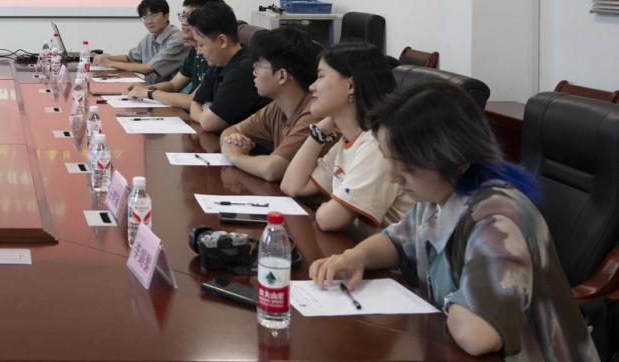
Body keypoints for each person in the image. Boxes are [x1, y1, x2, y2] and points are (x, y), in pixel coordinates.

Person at [310, 81, 598, 361]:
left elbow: (479, 335)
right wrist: (355, 257)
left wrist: (449, 301)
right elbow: (397, 242)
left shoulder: (497, 220)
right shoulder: (438, 194)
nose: (394, 177)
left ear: (456, 159)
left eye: (406, 165)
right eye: (390, 160)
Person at [279, 41, 412, 231]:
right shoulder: (348, 139)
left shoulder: (377, 144)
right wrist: (319, 133)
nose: (312, 87)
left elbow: (329, 220)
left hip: (399, 251)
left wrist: (326, 209)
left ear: (351, 86)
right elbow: (292, 186)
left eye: (320, 76)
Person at [219, 26, 324, 182]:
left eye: (257, 66)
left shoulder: (314, 113)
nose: (253, 73)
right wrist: (233, 140)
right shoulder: (278, 106)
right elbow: (230, 131)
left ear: (281, 76)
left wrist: (235, 156)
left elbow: (272, 169)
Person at [124, 0, 220, 108]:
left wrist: (149, 93)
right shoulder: (195, 50)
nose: (184, 22)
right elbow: (173, 85)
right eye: (183, 15)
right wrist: (145, 89)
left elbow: (192, 101)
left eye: (191, 16)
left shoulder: (215, 56)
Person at [186, 0, 267, 132]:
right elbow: (194, 104)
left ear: (222, 41)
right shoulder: (219, 63)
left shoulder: (243, 70)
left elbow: (209, 123)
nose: (199, 52)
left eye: (201, 45)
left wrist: (205, 113)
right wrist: (204, 114)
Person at [93, 0, 189, 83]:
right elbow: (131, 58)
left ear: (166, 16)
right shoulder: (149, 37)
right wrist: (105, 58)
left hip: (168, 92)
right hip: (149, 88)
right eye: (145, 17)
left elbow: (148, 69)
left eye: (154, 16)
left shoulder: (177, 39)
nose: (149, 21)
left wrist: (110, 63)